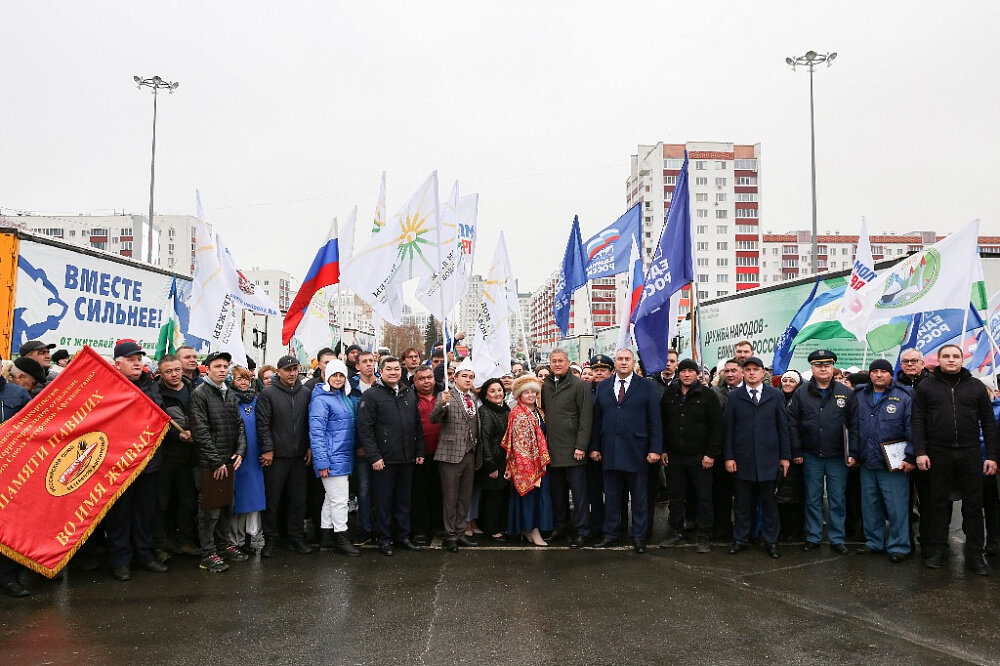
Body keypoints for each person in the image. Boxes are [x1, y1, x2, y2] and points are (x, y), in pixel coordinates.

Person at [913, 343, 998, 575]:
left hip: (970, 453)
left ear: (962, 360)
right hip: (938, 453)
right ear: (938, 360)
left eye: (956, 356)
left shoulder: (976, 387)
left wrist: (991, 456)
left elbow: (989, 424)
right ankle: (939, 550)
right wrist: (921, 451)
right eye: (946, 356)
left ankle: (975, 556)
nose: (951, 360)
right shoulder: (926, 386)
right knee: (938, 505)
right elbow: (918, 421)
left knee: (973, 507)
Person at [104, 340, 168, 581]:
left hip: (148, 462)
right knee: (121, 515)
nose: (137, 363)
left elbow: (157, 411)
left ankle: (145, 555)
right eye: (131, 360)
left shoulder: (150, 384)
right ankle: (120, 561)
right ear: (117, 364)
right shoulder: (109, 385)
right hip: (120, 464)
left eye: (139, 359)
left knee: (145, 512)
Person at [590, 349, 662, 553]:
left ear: (633, 362)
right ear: (615, 363)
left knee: (639, 498)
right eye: (620, 359)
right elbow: (597, 420)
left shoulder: (646, 386)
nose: (623, 362)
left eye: (627, 359)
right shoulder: (603, 386)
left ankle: (638, 535)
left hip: (637, 451)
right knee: (611, 497)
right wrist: (594, 447)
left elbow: (655, 420)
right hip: (610, 450)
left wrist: (655, 449)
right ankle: (610, 534)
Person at [789, 350, 858, 555]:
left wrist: (852, 451)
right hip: (811, 455)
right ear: (812, 367)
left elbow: (854, 425)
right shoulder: (801, 393)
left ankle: (837, 538)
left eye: (827, 365)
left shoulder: (846, 393)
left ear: (833, 367)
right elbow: (792, 424)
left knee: (837, 499)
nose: (823, 368)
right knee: (813, 498)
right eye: (818, 365)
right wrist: (797, 450)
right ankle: (813, 536)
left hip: (838, 456)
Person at [357, 356, 425, 556]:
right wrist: (374, 456)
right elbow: (365, 429)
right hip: (384, 460)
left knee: (403, 500)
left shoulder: (409, 394)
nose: (394, 372)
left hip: (406, 458)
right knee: (383, 502)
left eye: (397, 369)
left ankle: (402, 536)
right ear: (382, 371)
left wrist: (419, 450)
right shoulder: (371, 396)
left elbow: (417, 425)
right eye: (389, 369)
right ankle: (385, 539)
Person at [724, 356, 790, 559]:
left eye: (756, 369)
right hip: (743, 459)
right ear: (743, 373)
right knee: (743, 503)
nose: (752, 373)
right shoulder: (735, 396)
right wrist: (729, 457)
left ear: (764, 373)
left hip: (769, 459)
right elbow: (728, 430)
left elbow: (783, 428)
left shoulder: (775, 395)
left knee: (769, 504)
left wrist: (785, 457)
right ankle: (741, 539)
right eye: (748, 369)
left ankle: (771, 541)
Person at [851, 359, 915, 562]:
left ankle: (899, 546)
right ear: (870, 374)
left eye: (883, 372)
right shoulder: (859, 395)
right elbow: (851, 427)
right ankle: (874, 542)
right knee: (870, 505)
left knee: (896, 507)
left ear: (891, 374)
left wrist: (911, 456)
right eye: (875, 371)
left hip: (894, 464)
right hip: (867, 461)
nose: (879, 375)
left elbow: (912, 428)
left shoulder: (904, 396)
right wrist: (852, 453)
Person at [189, 351, 247, 573]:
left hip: (229, 461)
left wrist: (241, 450)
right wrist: (215, 461)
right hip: (210, 464)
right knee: (209, 511)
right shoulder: (200, 394)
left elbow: (239, 424)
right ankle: (208, 553)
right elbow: (200, 431)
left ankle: (223, 546)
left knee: (225, 508)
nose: (222, 370)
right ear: (208, 368)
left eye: (225, 366)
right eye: (217, 366)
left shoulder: (228, 394)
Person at [659, 358, 723, 553]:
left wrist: (711, 454)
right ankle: (675, 532)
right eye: (683, 371)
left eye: (691, 371)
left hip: (700, 457)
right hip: (675, 456)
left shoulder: (708, 395)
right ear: (679, 373)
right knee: (676, 497)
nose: (687, 374)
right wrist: (662, 449)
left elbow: (717, 427)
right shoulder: (670, 393)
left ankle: (704, 535)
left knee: (704, 497)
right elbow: (662, 423)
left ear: (697, 374)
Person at [257, 355, 313, 557]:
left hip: (299, 457)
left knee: (298, 500)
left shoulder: (305, 393)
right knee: (273, 500)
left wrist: (308, 446)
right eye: (287, 369)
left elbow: (309, 424)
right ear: (279, 372)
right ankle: (270, 539)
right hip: (277, 457)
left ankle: (296, 537)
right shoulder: (268, 394)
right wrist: (268, 449)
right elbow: (262, 424)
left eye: (295, 369)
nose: (292, 373)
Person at [541, 349, 593, 548]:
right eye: (553, 361)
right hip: (553, 451)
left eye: (560, 361)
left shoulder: (580, 386)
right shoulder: (545, 386)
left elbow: (586, 418)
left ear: (568, 362)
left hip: (574, 451)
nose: (557, 364)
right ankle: (560, 527)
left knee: (579, 495)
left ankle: (582, 531)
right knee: (558, 494)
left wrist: (581, 445)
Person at [308, 360, 361, 557]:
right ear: (326, 377)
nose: (338, 379)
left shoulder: (341, 396)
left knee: (330, 500)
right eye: (334, 375)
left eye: (341, 375)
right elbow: (317, 432)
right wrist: (322, 461)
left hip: (342, 456)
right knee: (340, 500)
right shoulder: (321, 400)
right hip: (331, 458)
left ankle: (326, 536)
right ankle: (342, 537)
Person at [430, 358, 482, 552]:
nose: (468, 380)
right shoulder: (447, 395)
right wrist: (441, 405)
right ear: (455, 377)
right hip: (450, 455)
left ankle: (460, 533)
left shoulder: (474, 399)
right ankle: (450, 535)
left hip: (469, 454)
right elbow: (434, 418)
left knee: (464, 498)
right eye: (465, 376)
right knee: (450, 498)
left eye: (471, 377)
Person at [154, 354, 201, 559]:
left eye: (177, 370)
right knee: (162, 504)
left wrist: (195, 432)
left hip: (189, 458)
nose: (174, 374)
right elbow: (155, 423)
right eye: (168, 371)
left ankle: (186, 542)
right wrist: (177, 434)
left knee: (188, 501)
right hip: (166, 458)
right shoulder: (156, 393)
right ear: (161, 373)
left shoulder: (193, 389)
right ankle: (162, 544)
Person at [502, 374, 553, 546]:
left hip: (538, 461)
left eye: (533, 392)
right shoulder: (518, 414)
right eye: (526, 392)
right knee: (528, 497)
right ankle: (531, 529)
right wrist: (526, 463)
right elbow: (518, 443)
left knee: (538, 497)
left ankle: (531, 528)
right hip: (525, 464)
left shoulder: (538, 412)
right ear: (519, 395)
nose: (531, 395)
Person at [0, 361, 35, 597]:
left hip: (13, 473)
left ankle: (9, 578)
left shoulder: (17, 393)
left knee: (9, 527)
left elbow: (38, 428)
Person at [897, 348, 932, 552]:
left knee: (929, 499)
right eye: (906, 361)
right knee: (903, 498)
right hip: (902, 450)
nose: (910, 364)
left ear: (922, 363)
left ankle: (929, 540)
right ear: (901, 365)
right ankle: (905, 539)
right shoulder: (895, 385)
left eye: (914, 361)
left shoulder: (932, 384)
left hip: (929, 449)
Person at [229, 366, 265, 556]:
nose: (243, 383)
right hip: (237, 456)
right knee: (238, 500)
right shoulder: (228, 400)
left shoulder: (257, 400)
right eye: (238, 379)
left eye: (246, 379)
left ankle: (250, 536)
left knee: (253, 499)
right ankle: (236, 539)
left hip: (254, 456)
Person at [349, 351, 378, 543]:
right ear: (357, 366)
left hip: (382, 449)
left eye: (371, 361)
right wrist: (359, 445)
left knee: (381, 490)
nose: (369, 364)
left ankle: (380, 527)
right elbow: (352, 420)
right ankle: (366, 528)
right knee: (364, 490)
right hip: (360, 451)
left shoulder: (382, 385)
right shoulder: (349, 388)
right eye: (364, 362)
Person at [411, 366, 443, 544]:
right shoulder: (410, 398)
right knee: (419, 493)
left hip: (441, 453)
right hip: (420, 454)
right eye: (421, 378)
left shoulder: (443, 396)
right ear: (415, 382)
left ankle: (437, 527)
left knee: (438, 492)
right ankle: (420, 530)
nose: (426, 381)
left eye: (429, 377)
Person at [478, 378, 511, 542]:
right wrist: (491, 466)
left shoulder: (505, 409)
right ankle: (491, 529)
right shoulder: (485, 411)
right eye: (492, 391)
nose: (497, 393)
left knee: (502, 495)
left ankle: (499, 526)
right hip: (493, 461)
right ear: (485, 395)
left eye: (499, 390)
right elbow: (485, 440)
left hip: (505, 460)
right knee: (493, 497)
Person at [775, 369, 805, 541]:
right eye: (785, 381)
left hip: (797, 454)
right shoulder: (776, 398)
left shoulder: (801, 400)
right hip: (779, 454)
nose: (787, 384)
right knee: (780, 494)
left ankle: (795, 530)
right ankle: (782, 529)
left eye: (791, 381)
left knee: (795, 495)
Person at [586, 354, 614, 537]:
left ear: (611, 372)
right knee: (594, 491)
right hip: (590, 447)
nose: (599, 373)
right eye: (595, 370)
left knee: (613, 491)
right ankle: (596, 525)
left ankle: (615, 525)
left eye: (603, 370)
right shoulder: (585, 390)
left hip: (612, 447)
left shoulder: (616, 389)